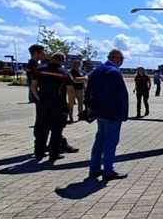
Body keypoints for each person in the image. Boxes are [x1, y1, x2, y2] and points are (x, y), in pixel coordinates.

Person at [85, 49, 129, 180]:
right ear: (117, 58)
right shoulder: (113, 72)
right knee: (110, 142)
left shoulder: (97, 70)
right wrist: (94, 103)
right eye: (122, 58)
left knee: (99, 140)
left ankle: (94, 168)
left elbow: (88, 90)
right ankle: (108, 170)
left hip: (100, 112)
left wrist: (89, 105)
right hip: (111, 112)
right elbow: (106, 93)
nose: (122, 61)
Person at [31, 53, 76, 162]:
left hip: (43, 104)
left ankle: (39, 152)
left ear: (51, 59)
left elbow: (33, 86)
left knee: (42, 128)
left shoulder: (39, 70)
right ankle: (53, 153)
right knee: (56, 130)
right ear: (63, 61)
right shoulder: (65, 73)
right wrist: (70, 105)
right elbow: (70, 91)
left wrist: (39, 99)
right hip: (58, 104)